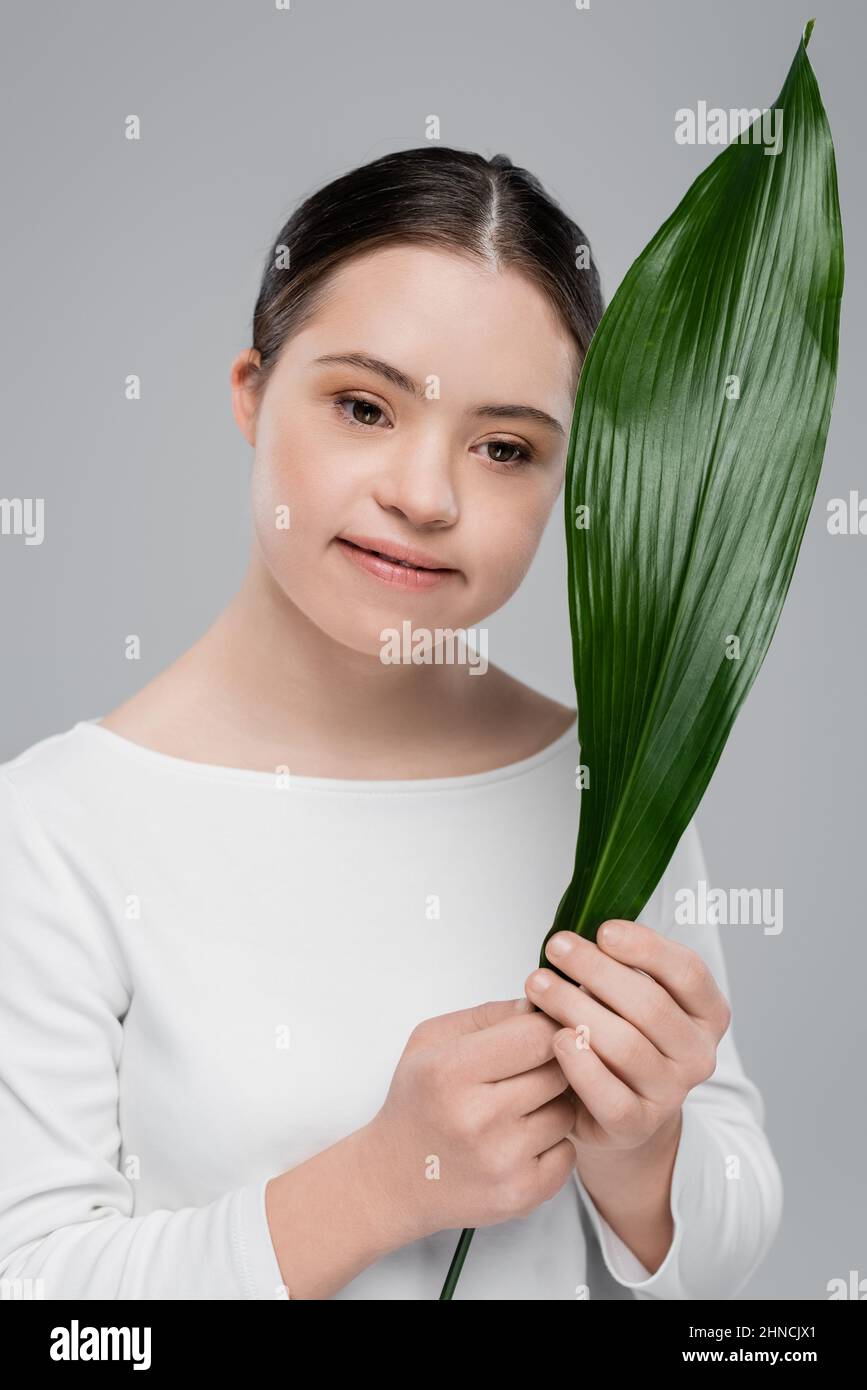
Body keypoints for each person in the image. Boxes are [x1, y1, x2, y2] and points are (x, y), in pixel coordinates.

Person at [0, 146, 782, 1300]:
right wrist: (375, 1184)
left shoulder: (606, 785)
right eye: (364, 406)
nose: (426, 495)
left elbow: (729, 1241)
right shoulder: (53, 830)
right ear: (253, 394)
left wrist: (644, 1152)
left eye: (505, 446)